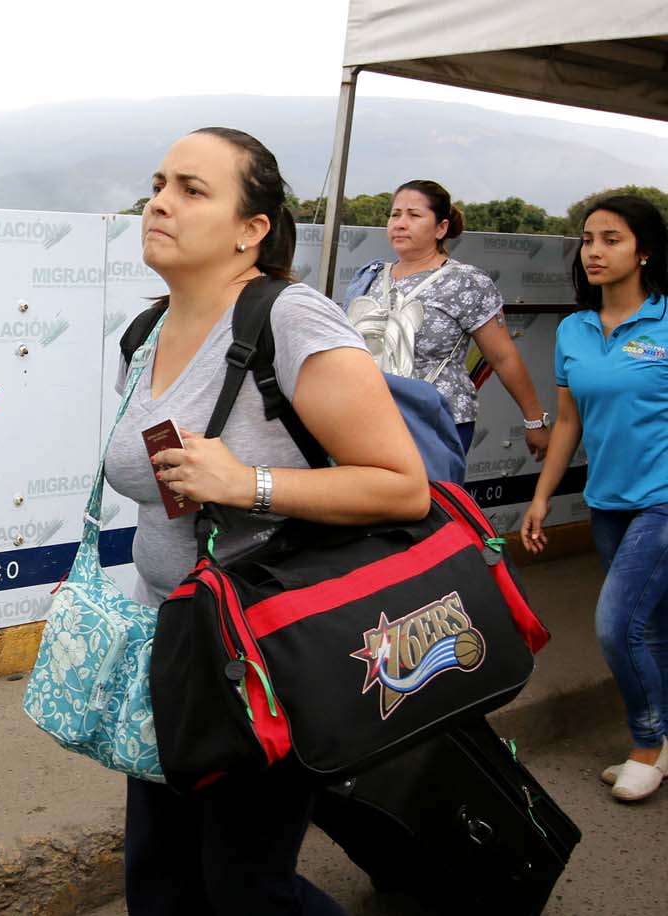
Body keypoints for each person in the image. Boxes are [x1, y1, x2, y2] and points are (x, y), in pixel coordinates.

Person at [103, 127, 429, 916]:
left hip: (269, 654)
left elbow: (402, 487)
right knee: (159, 873)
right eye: (158, 183)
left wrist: (245, 482)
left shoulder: (292, 321)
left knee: (247, 888)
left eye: (192, 189)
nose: (160, 203)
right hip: (176, 648)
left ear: (252, 230)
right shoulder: (146, 332)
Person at [520, 194, 668, 803]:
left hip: (663, 499)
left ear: (645, 250)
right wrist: (542, 496)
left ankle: (645, 744)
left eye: (612, 238)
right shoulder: (573, 330)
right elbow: (570, 423)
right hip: (607, 502)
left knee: (616, 626)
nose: (596, 251)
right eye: (588, 239)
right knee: (650, 627)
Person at [344, 180, 551, 460]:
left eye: (414, 215)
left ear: (440, 228)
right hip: (368, 419)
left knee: (425, 503)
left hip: (433, 423)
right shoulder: (370, 276)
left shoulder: (466, 281)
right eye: (395, 214)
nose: (401, 223)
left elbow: (502, 356)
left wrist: (534, 420)